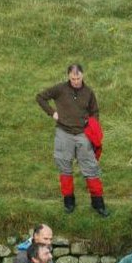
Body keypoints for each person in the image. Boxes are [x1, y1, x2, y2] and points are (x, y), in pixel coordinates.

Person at [35, 64, 108, 216]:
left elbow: (95, 111)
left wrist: (92, 125)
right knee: (65, 168)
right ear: (69, 76)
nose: (76, 81)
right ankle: (69, 202)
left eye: (78, 78)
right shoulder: (60, 89)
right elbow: (40, 97)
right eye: (73, 78)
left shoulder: (89, 93)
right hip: (63, 133)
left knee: (91, 168)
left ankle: (98, 203)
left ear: (83, 76)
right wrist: (52, 113)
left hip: (82, 134)